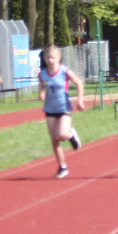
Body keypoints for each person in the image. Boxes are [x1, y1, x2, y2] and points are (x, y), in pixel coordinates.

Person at [38, 44, 85, 178]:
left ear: (59, 58)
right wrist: (41, 94)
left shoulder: (65, 71)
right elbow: (41, 88)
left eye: (52, 57)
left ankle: (71, 135)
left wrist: (80, 101)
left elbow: (79, 83)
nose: (50, 60)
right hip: (49, 109)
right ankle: (62, 167)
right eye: (48, 58)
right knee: (54, 140)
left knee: (62, 134)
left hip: (63, 107)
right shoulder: (42, 74)